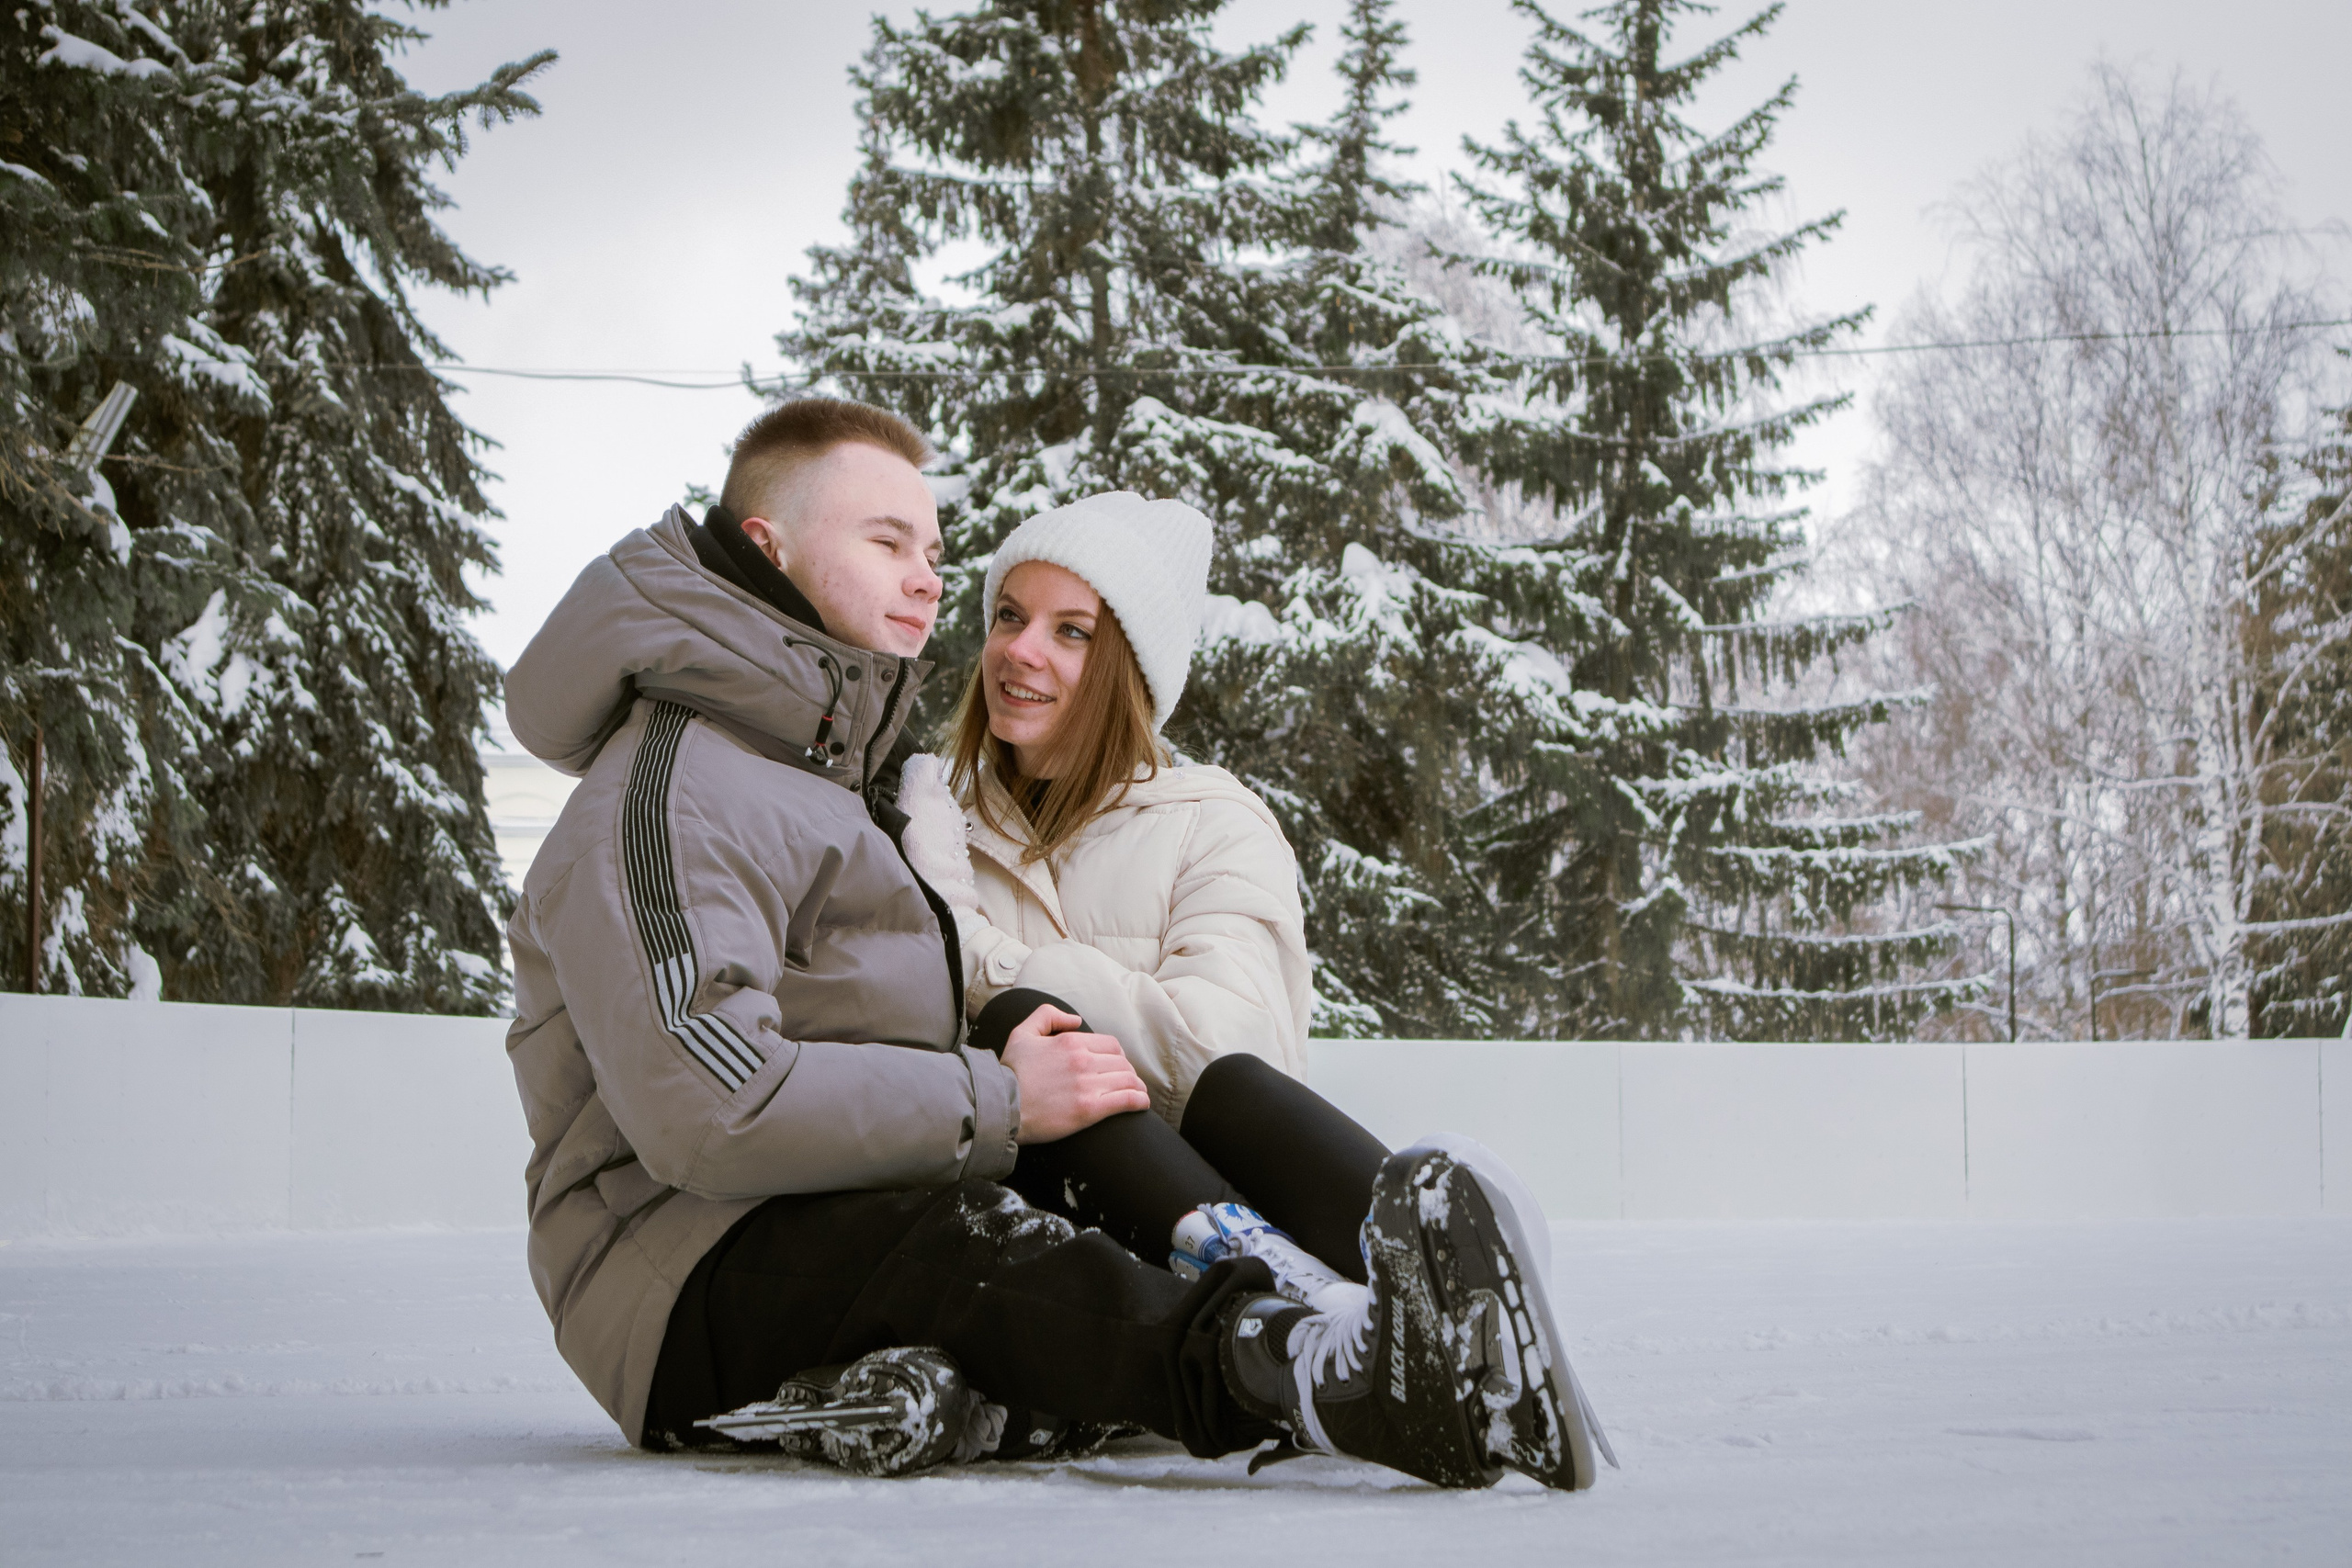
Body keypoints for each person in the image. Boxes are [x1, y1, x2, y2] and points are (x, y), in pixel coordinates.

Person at [501, 396, 1604, 1491]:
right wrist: (1000, 1096)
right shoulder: (676, 789)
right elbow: (707, 1106)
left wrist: (1007, 1076)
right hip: (675, 1265)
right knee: (970, 1233)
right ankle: (1313, 1363)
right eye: (887, 543)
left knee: (1041, 1111)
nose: (929, 581)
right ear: (769, 547)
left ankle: (1419, 1321)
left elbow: (1194, 1059)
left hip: (828, 1196)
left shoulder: (820, 776)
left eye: (934, 553)